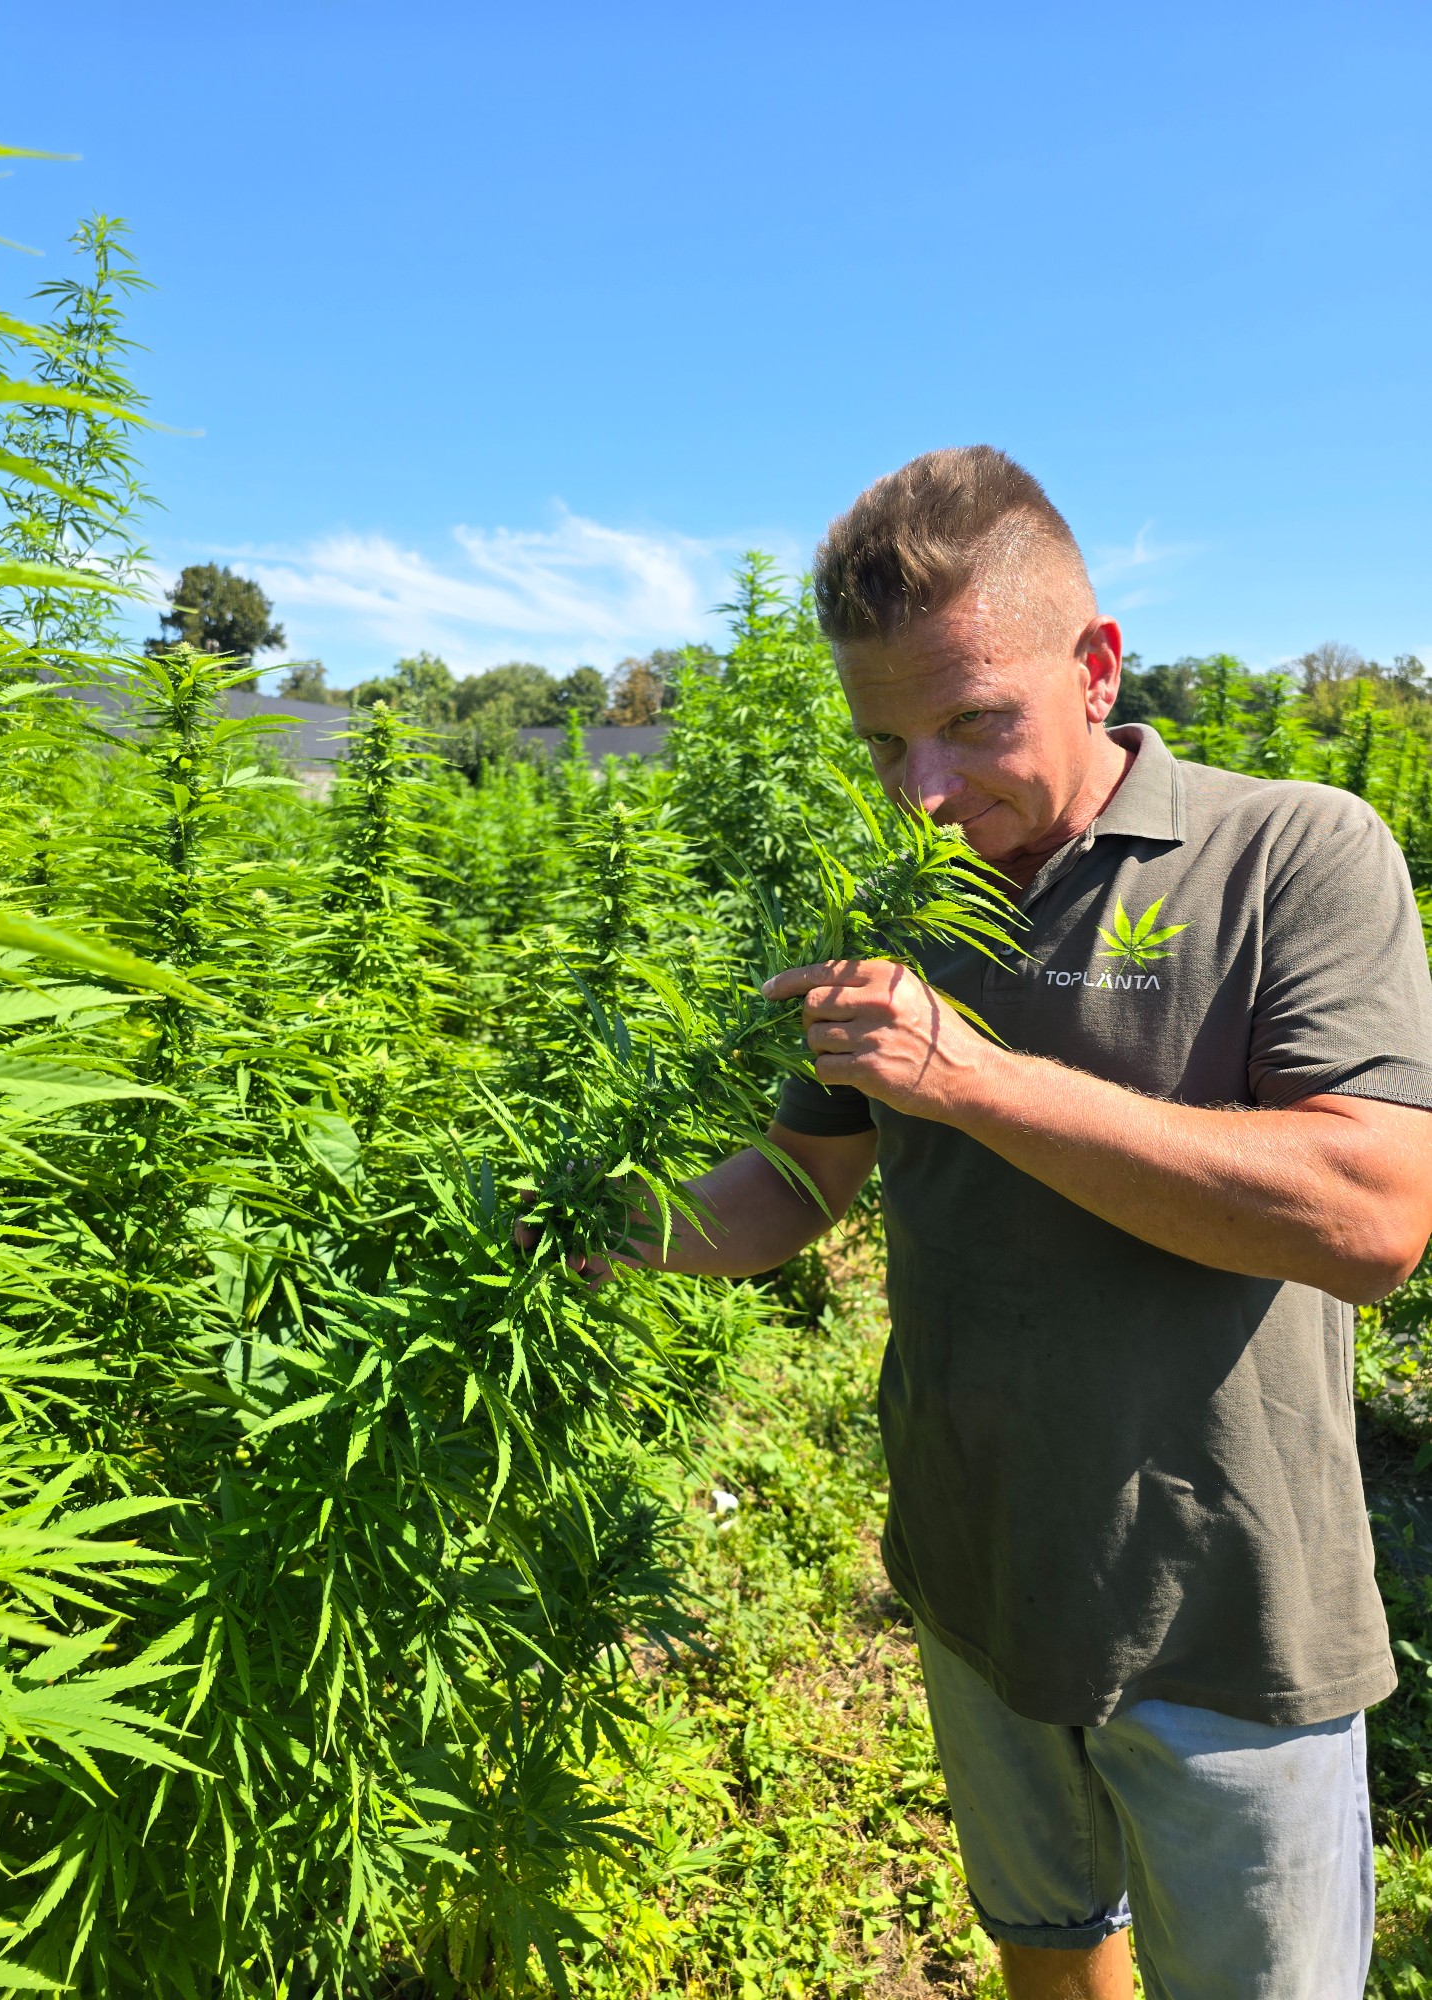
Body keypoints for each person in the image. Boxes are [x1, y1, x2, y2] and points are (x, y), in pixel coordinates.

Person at [590, 448, 1432, 1997]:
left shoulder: (1294, 855)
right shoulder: (894, 908)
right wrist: (588, 1225)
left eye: (974, 721)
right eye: (885, 741)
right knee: (1047, 1946)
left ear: (1095, 665)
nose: (923, 791)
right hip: (977, 1573)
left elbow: (1372, 1217)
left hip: (1228, 1617)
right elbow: (793, 1187)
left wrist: (973, 1079)